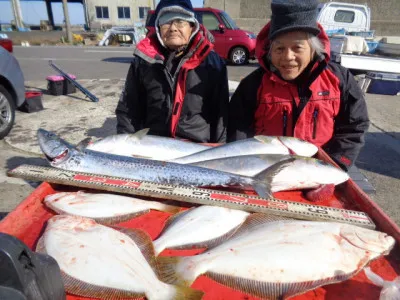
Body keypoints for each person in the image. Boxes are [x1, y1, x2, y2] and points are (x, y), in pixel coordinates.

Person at [227, 0, 369, 171]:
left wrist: (335, 165)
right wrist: (246, 167)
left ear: (313, 49)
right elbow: (238, 129)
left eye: (297, 48)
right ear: (269, 51)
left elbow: (354, 127)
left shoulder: (339, 79)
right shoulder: (253, 85)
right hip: (264, 171)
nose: (288, 57)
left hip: (319, 171)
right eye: (279, 49)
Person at [116, 0, 229, 143]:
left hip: (196, 148)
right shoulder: (143, 61)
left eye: (180, 22)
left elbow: (221, 114)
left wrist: (219, 151)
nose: (173, 28)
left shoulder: (213, 64)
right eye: (166, 22)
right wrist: (126, 145)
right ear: (158, 27)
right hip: (153, 145)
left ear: (192, 26)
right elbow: (129, 109)